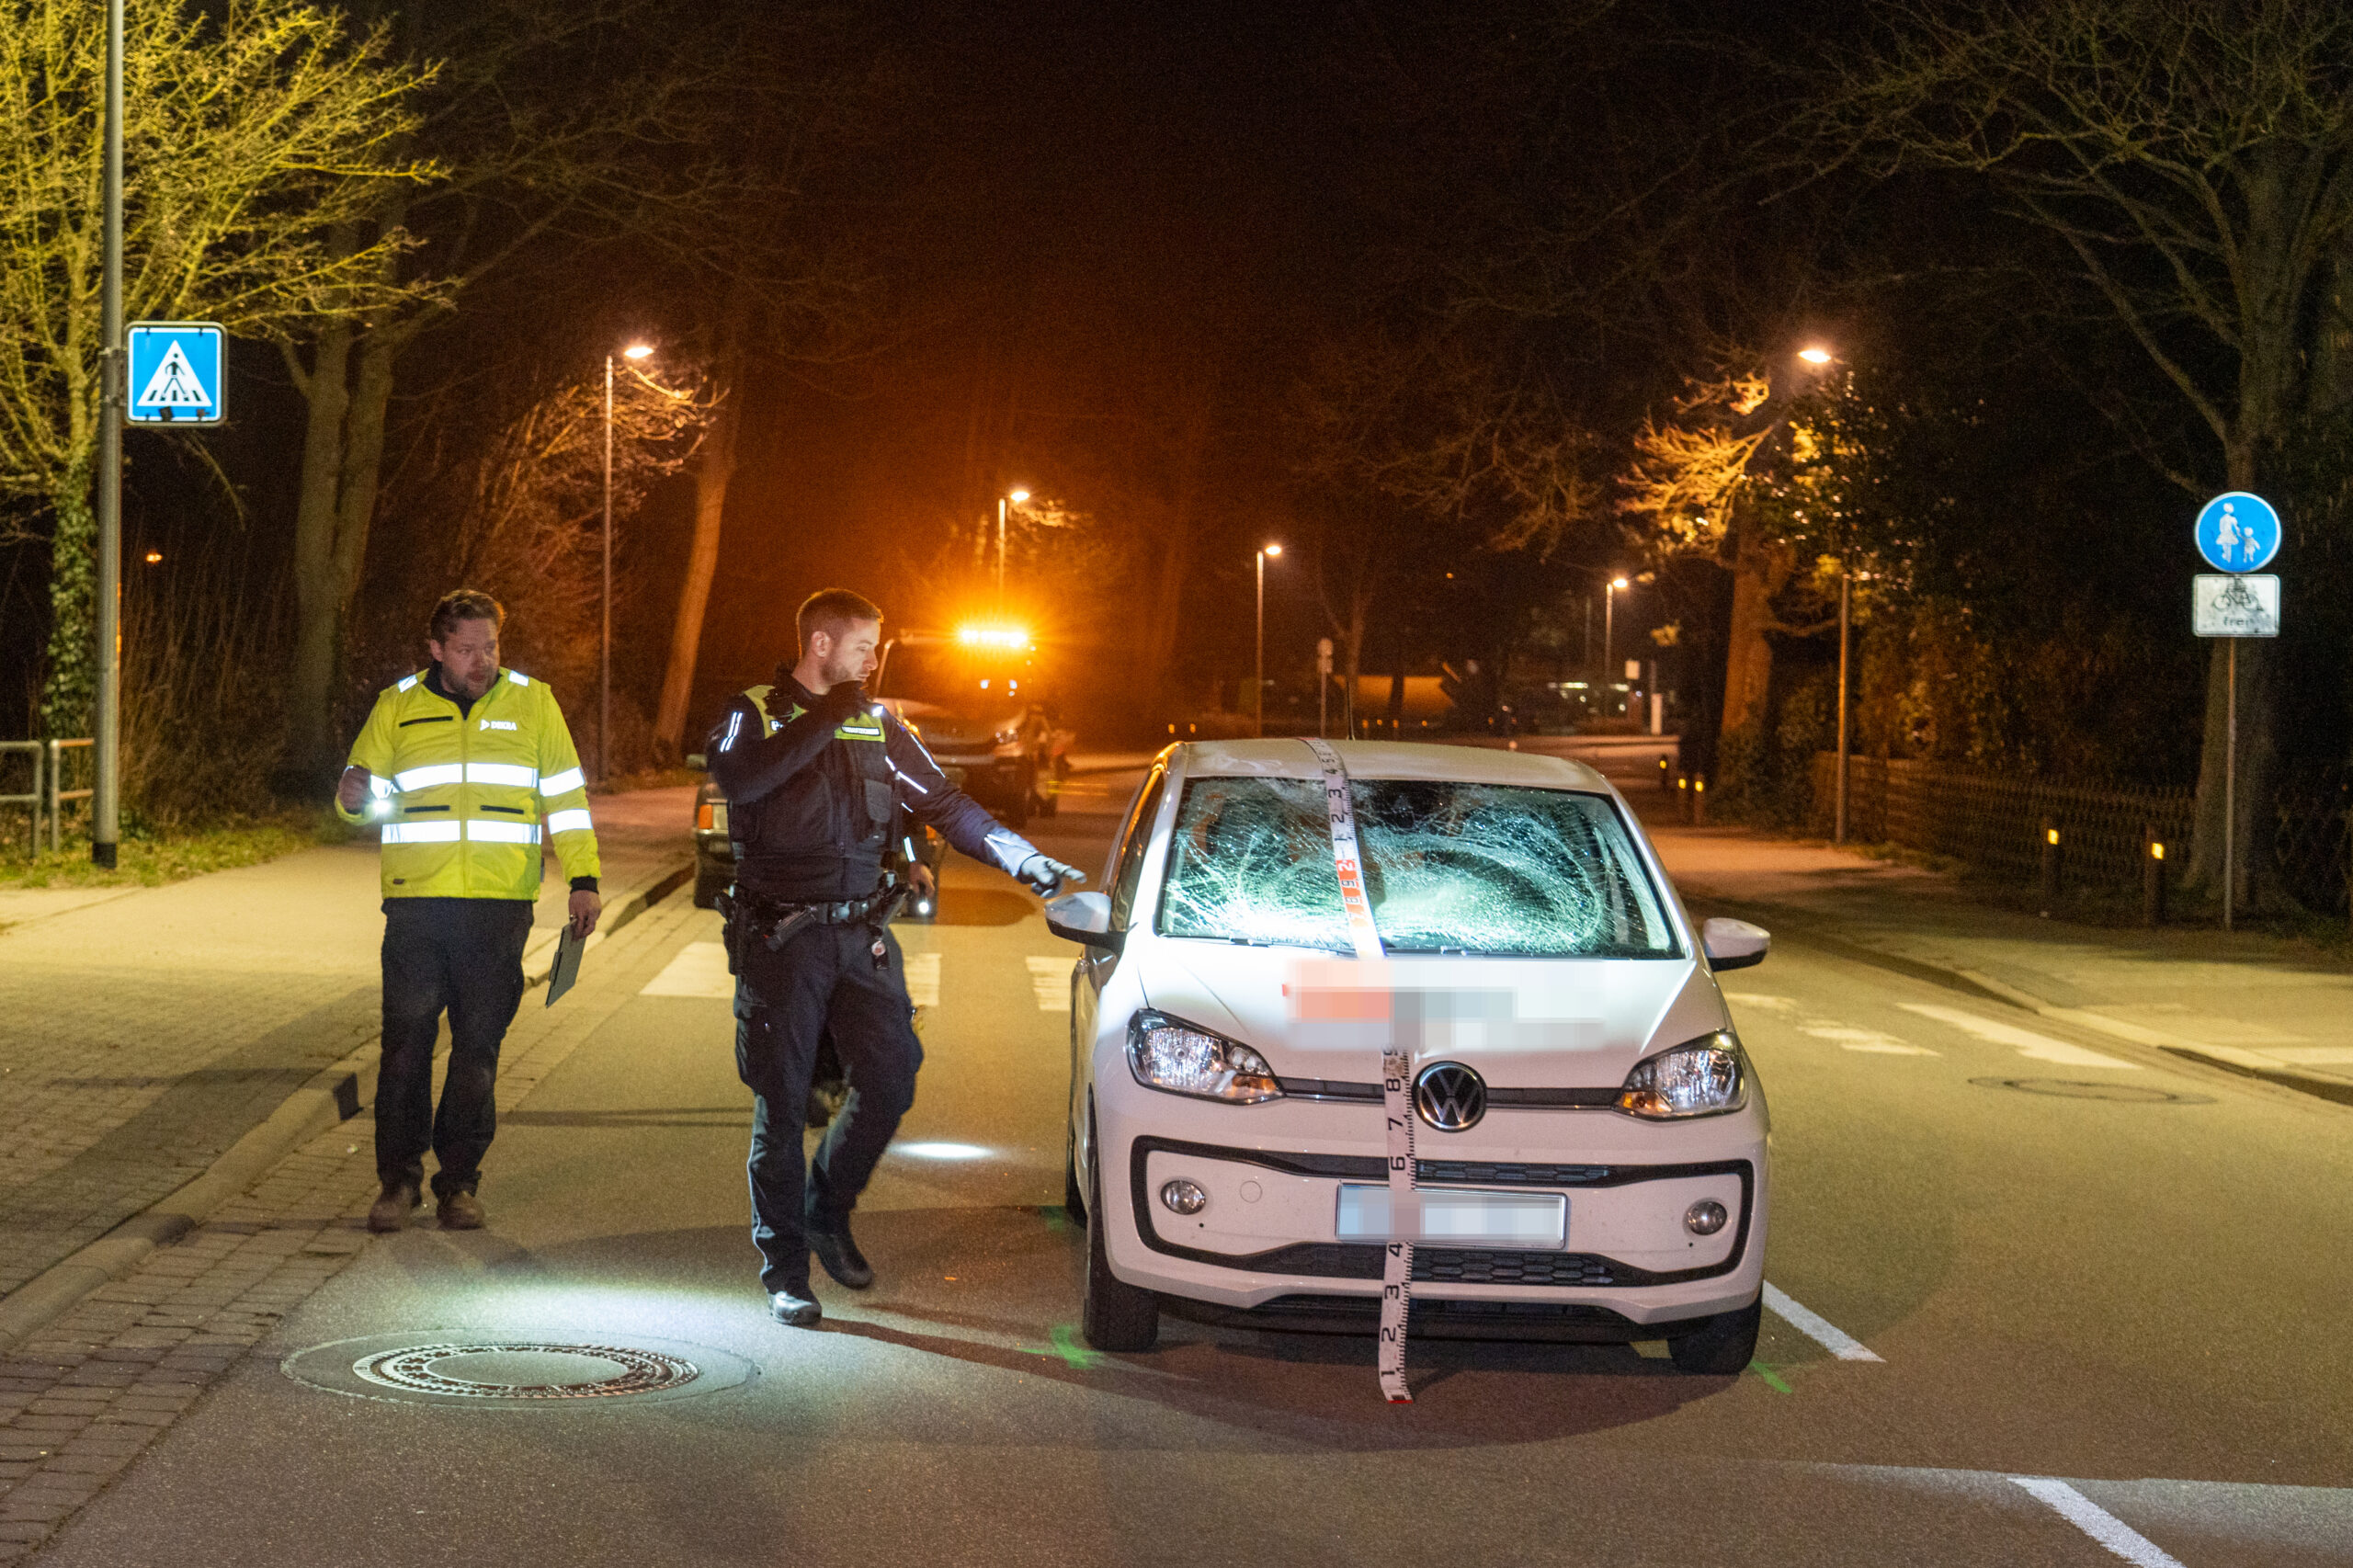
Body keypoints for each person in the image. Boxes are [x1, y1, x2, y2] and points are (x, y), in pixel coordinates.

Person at [707, 587, 1082, 1327]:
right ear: (821, 646)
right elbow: (743, 780)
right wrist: (830, 713)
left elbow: (943, 805)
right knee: (781, 1109)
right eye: (861, 647)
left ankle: (826, 1208)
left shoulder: (877, 722)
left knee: (890, 1079)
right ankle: (785, 1270)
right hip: (782, 937)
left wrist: (1021, 856)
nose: (872, 660)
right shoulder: (753, 712)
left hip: (859, 935)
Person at [335, 589, 603, 1233]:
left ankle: (459, 1184)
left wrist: (584, 878)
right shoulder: (396, 706)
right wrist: (351, 799)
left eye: (490, 646)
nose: (480, 659)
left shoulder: (533, 702)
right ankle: (398, 1183)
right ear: (436, 650)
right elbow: (360, 799)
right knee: (405, 1049)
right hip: (417, 907)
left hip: (498, 908)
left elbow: (566, 797)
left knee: (478, 1050)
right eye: (465, 648)